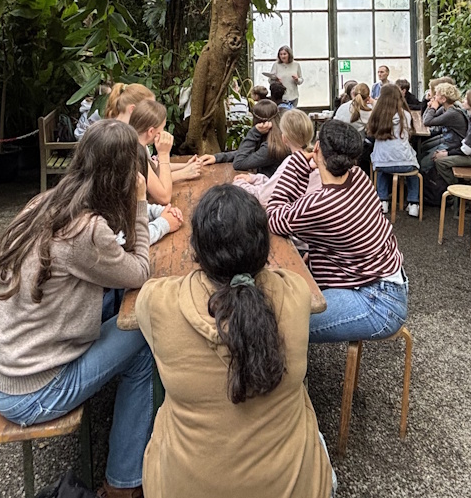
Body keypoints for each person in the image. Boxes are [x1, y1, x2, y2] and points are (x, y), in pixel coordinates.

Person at [0, 119, 154, 498]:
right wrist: (139, 204)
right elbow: (139, 270)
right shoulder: (86, 231)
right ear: (124, 176)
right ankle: (124, 482)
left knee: (112, 302)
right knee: (144, 331)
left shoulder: (46, 201)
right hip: (31, 391)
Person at [136, 184, 335, 498]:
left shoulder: (158, 302)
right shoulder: (295, 292)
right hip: (293, 485)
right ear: (263, 249)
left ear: (196, 250)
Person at [266, 119, 408, 343]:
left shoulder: (321, 205)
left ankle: (291, 374)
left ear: (317, 148)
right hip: (385, 282)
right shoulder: (358, 177)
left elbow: (273, 217)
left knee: (280, 325)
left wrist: (297, 163)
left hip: (377, 304)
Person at [233, 108, 317, 206]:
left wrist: (240, 185)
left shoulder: (292, 162)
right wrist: (256, 179)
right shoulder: (315, 159)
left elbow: (263, 197)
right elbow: (280, 184)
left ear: (284, 138)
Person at [365, 83, 421, 216]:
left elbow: (370, 134)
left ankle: (382, 201)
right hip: (405, 163)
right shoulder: (406, 115)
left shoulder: (376, 115)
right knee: (414, 171)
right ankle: (413, 203)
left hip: (382, 163)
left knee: (382, 169)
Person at [199, 99, 289, 177]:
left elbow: (239, 163)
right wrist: (217, 158)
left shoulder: (271, 147)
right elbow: (248, 154)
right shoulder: (274, 139)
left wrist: (254, 132)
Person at [419, 81, 468, 172]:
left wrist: (433, 108)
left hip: (454, 145)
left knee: (423, 164)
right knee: (423, 147)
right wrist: (430, 107)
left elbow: (427, 121)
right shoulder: (444, 109)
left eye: (437, 95)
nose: (434, 97)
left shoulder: (452, 113)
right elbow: (425, 119)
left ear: (443, 99)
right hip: (447, 139)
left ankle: (428, 179)